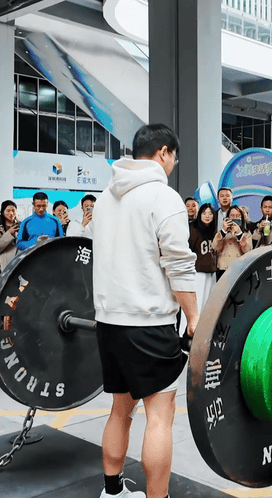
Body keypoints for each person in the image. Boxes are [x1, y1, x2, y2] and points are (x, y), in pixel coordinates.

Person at [92, 123, 198, 498]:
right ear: (164, 153)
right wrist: (195, 318)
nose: (173, 165)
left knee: (121, 410)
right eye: (174, 158)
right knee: (160, 416)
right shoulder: (163, 197)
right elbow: (180, 266)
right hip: (150, 325)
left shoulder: (104, 198)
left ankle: (113, 491)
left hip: (108, 323)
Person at [189, 203, 217, 312]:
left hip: (211, 272)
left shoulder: (214, 230)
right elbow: (188, 249)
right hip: (197, 273)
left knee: (208, 304)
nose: (207, 216)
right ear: (199, 214)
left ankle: (204, 329)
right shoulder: (193, 229)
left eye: (210, 213)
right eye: (204, 213)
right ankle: (188, 329)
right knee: (196, 304)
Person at [213, 204, 252, 279]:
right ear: (228, 218)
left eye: (238, 216)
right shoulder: (221, 233)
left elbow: (248, 251)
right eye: (232, 216)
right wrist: (223, 231)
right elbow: (215, 248)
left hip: (239, 270)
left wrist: (239, 233)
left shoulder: (246, 233)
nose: (235, 218)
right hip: (223, 270)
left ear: (242, 218)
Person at [0, 200, 20, 278]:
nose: (11, 213)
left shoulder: (20, 226)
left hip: (17, 264)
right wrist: (9, 233)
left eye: (13, 210)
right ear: (3, 212)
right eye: (8, 211)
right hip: (2, 266)